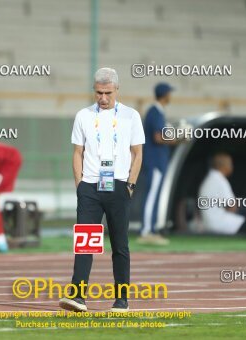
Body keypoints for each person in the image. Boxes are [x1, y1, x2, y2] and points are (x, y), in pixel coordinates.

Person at [59, 68, 145, 313]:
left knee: (120, 244)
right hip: (90, 187)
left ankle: (121, 300)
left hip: (118, 185)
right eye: (99, 92)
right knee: (85, 243)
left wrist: (130, 185)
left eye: (108, 93)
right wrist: (80, 185)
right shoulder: (83, 116)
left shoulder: (131, 116)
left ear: (117, 90)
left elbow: (138, 153)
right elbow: (77, 152)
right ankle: (77, 296)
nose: (103, 98)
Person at [139, 82, 185, 245]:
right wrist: (178, 140)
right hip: (155, 161)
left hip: (157, 161)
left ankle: (151, 229)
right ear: (165, 95)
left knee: (154, 195)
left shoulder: (157, 112)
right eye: (169, 93)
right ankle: (147, 231)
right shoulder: (155, 111)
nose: (170, 96)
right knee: (151, 195)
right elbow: (158, 137)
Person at [198, 153, 246, 235]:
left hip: (207, 222)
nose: (231, 166)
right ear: (224, 165)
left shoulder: (209, 179)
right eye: (230, 164)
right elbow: (232, 206)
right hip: (218, 223)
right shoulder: (220, 179)